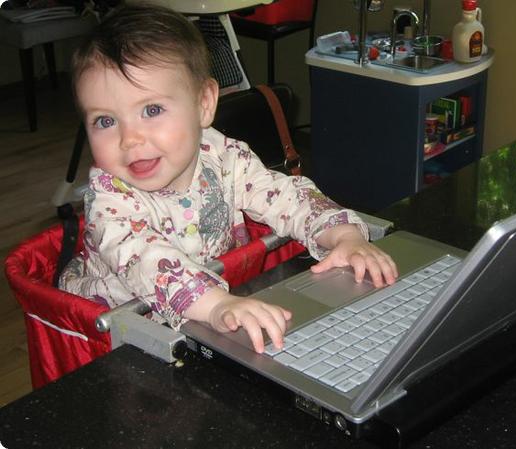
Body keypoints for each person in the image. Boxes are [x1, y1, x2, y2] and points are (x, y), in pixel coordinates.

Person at [60, 4, 398, 354]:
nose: (129, 139)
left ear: (204, 103)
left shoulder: (223, 155)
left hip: (207, 310)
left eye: (152, 110)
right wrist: (218, 304)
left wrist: (343, 236)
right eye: (105, 121)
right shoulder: (109, 201)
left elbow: (282, 195)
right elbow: (149, 263)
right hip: (121, 333)